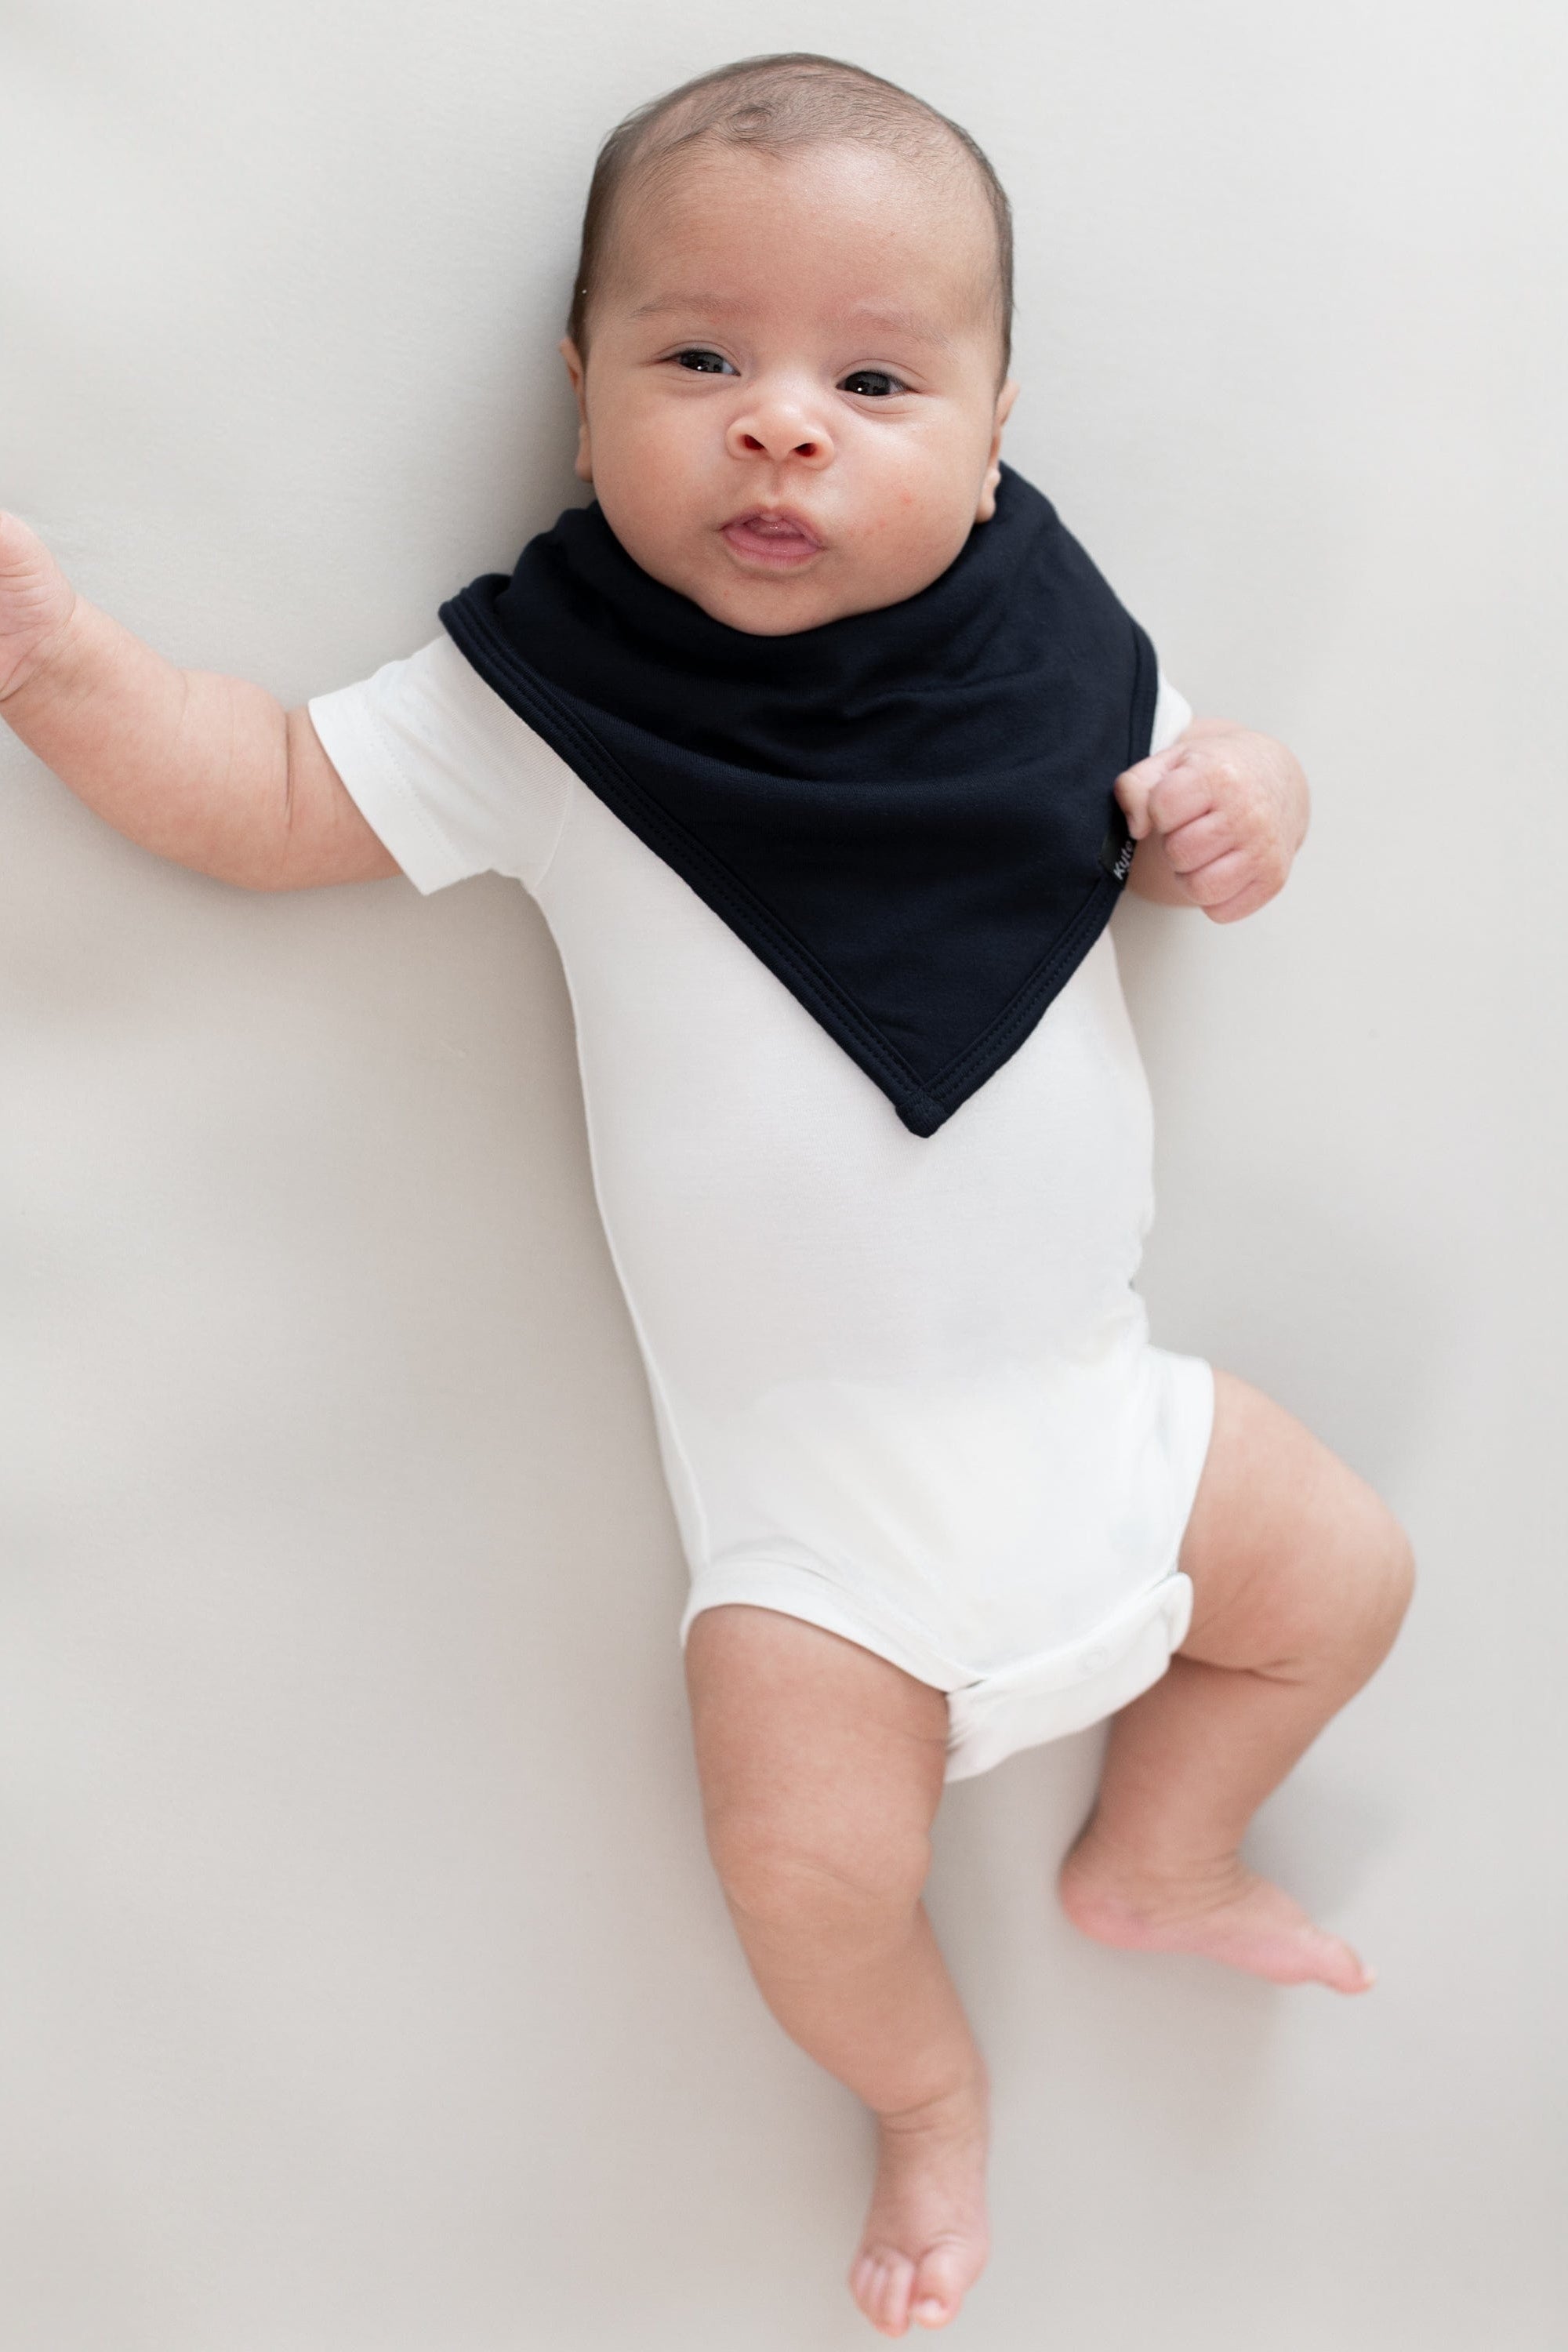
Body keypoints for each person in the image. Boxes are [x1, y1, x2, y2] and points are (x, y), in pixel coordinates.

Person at [0, 53, 1414, 2342]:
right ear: (581, 395)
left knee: (1348, 1579)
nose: (783, 423)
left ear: (992, 419)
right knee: (807, 1876)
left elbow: (1205, 789)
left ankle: (1161, 1852)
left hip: (1116, 1426)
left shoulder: (1063, 647)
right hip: (819, 1557)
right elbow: (268, 789)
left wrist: (1258, 800)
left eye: (873, 376)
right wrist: (62, 673)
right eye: (699, 360)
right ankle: (933, 2101)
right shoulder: (557, 706)